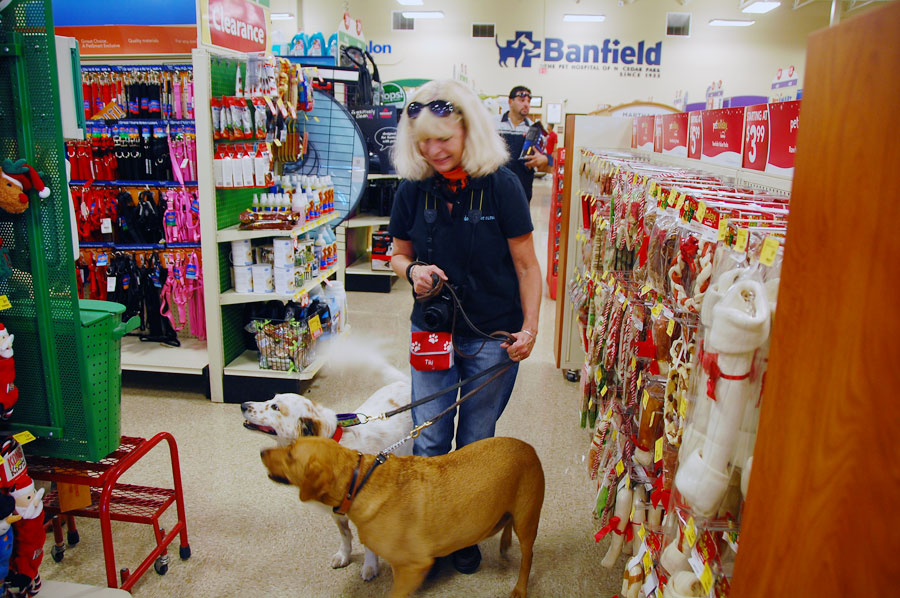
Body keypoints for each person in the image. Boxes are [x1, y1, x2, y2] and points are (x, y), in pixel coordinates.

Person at [389, 79, 541, 575]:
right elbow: (397, 253)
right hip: (431, 332)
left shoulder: (502, 184)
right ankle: (431, 533)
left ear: (468, 133)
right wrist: (410, 271)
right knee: (429, 437)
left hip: (493, 336)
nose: (433, 151)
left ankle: (465, 531)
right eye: (422, 142)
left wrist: (531, 328)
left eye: (444, 140)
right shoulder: (413, 188)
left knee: (476, 443)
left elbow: (526, 266)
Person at [496, 85, 549, 202]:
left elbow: (547, 158)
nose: (526, 104)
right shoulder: (494, 124)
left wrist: (543, 159)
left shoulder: (534, 129)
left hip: (522, 190)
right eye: (521, 100)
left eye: (529, 101)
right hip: (495, 187)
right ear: (510, 101)